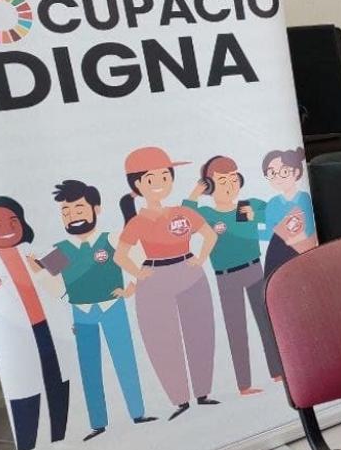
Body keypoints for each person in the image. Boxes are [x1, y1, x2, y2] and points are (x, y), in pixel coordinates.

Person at [28, 180, 155, 440]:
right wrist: (38, 271)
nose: (72, 216)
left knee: (125, 360)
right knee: (89, 367)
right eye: (66, 212)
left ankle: (138, 412)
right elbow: (55, 288)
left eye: (78, 208)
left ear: (95, 209)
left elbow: (140, 257)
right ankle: (98, 422)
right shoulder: (63, 250)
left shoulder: (110, 239)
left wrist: (130, 287)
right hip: (82, 312)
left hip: (112, 306)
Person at [115, 146, 221, 419]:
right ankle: (179, 399)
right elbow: (120, 255)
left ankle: (203, 392)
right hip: (155, 279)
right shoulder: (138, 221)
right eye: (152, 179)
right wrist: (139, 275)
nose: (161, 184)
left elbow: (209, 235)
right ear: (138, 185)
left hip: (189, 272)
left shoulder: (181, 212)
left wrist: (200, 258)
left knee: (201, 333)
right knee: (162, 340)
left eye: (166, 177)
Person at [0, 196, 70, 450]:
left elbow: (68, 272)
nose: (7, 228)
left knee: (57, 382)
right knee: (24, 389)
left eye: (14, 220)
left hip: (48, 328)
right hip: (13, 334)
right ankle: (30, 446)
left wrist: (43, 270)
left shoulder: (35, 250)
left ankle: (61, 440)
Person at [183, 156, 270, 392]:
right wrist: (194, 192)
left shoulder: (246, 206)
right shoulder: (209, 215)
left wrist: (258, 217)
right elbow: (184, 219)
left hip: (254, 269)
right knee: (236, 329)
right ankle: (244, 384)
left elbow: (274, 214)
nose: (230, 185)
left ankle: (278, 372)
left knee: (267, 322)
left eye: (233, 179)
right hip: (226, 277)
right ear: (210, 186)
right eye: (222, 181)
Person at [259, 147, 316, 277]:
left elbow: (308, 233)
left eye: (284, 171)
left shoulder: (304, 198)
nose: (278, 177)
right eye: (272, 173)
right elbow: (269, 233)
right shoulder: (272, 203)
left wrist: (294, 237)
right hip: (277, 255)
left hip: (300, 253)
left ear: (296, 172)